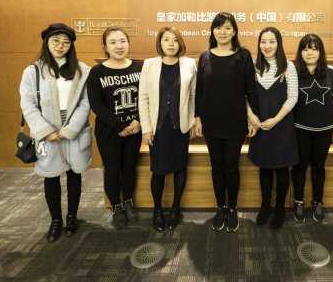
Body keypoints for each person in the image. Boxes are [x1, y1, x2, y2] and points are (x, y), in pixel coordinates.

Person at [20, 23, 92, 243]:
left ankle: (71, 217)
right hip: (46, 128)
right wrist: (46, 131)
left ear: (71, 46)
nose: (60, 46)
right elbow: (28, 104)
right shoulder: (33, 71)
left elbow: (86, 102)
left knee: (74, 174)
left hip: (74, 128)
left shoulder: (82, 70)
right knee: (50, 176)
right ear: (47, 42)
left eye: (66, 42)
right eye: (56, 41)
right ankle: (55, 220)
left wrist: (70, 129)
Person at [195, 12, 261, 232]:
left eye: (227, 28)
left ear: (234, 31)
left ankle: (232, 207)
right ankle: (220, 207)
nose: (222, 32)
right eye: (218, 27)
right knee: (216, 167)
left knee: (231, 167)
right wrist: (198, 117)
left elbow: (250, 89)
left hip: (235, 121)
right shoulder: (205, 56)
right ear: (212, 31)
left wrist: (253, 117)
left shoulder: (243, 55)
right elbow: (199, 90)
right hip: (211, 121)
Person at [139, 27, 197, 231]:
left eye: (175, 40)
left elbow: (193, 96)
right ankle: (157, 209)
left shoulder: (189, 64)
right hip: (158, 128)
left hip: (180, 127)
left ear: (180, 43)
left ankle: (175, 208)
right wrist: (146, 128)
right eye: (166, 40)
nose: (171, 44)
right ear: (160, 43)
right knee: (158, 170)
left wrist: (193, 121)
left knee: (180, 167)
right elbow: (143, 98)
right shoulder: (149, 64)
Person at [88, 26, 142, 230]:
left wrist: (138, 120)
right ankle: (115, 206)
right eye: (113, 42)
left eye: (122, 41)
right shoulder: (97, 72)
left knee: (129, 168)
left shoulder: (139, 68)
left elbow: (146, 97)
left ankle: (128, 202)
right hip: (109, 132)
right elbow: (96, 104)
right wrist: (118, 125)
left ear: (128, 43)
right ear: (105, 46)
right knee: (111, 170)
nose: (119, 46)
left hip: (134, 131)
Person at [248, 27, 299, 231]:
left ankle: (279, 209)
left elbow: (293, 97)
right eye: (263, 41)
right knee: (265, 168)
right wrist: (251, 117)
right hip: (260, 126)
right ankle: (265, 207)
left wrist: (275, 120)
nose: (267, 46)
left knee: (282, 168)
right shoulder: (252, 65)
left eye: (272, 41)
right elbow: (245, 94)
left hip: (282, 126)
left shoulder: (288, 66)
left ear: (278, 43)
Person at [292, 34, 333, 224]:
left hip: (325, 130)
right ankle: (298, 202)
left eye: (314, 48)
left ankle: (318, 202)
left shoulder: (331, 72)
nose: (309, 53)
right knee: (300, 167)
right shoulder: (293, 72)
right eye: (305, 49)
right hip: (300, 129)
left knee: (319, 167)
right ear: (300, 52)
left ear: (320, 51)